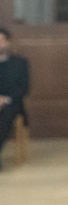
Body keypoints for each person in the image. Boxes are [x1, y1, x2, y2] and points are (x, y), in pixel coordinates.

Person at [0, 28, 30, 166]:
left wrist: (6, 99)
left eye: (1, 41)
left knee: (6, 112)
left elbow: (24, 88)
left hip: (13, 103)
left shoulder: (20, 63)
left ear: (7, 42)